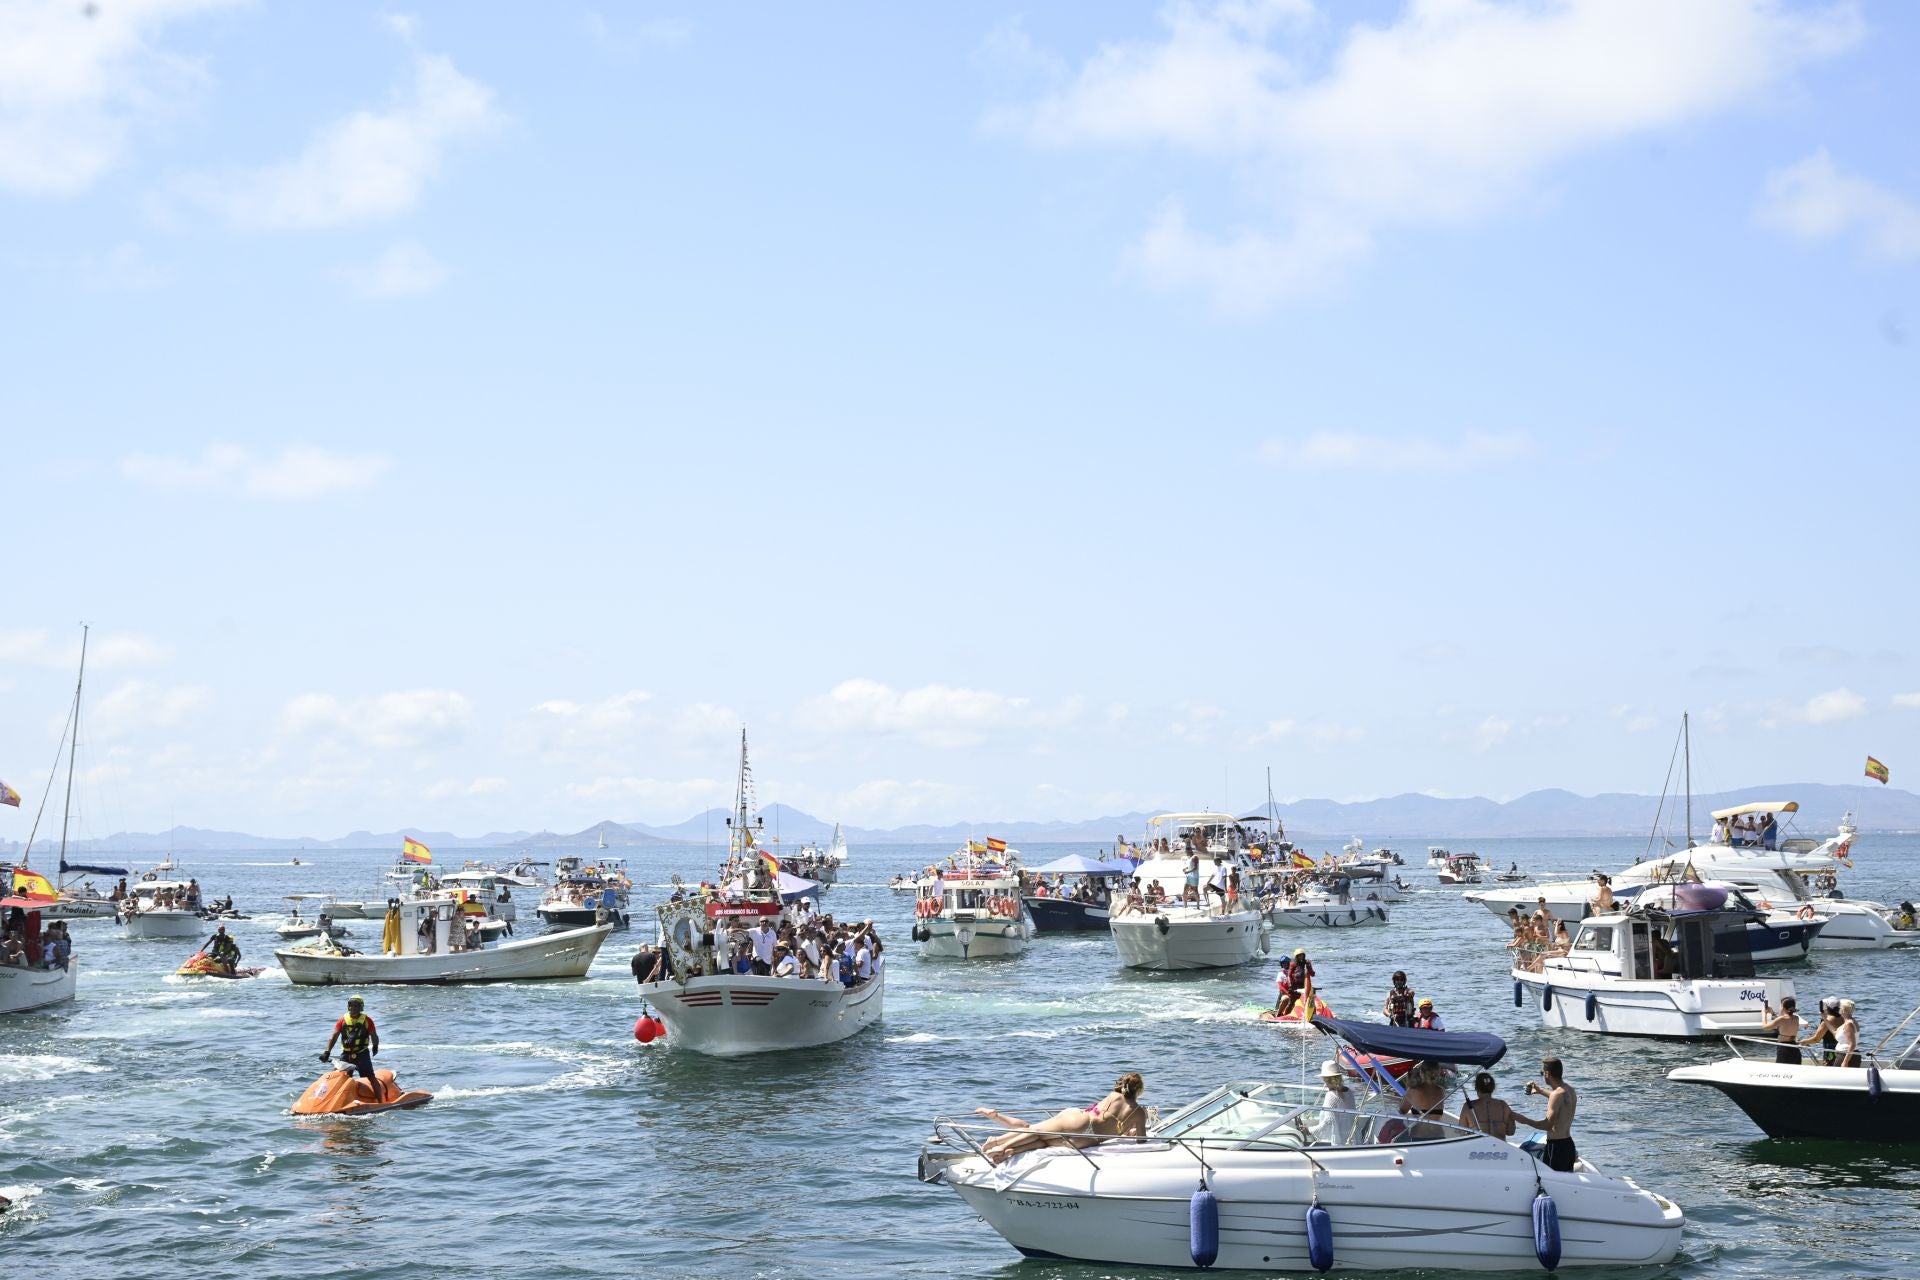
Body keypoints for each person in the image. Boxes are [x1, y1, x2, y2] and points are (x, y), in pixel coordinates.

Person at [977, 1072, 1146, 1164]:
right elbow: (1141, 1140)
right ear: (1139, 1091)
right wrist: (1127, 1132)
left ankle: (1002, 1145)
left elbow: (1099, 1113)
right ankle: (1010, 1152)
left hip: (1083, 1122)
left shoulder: (1113, 1095)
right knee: (1044, 1142)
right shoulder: (1139, 1113)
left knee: (1036, 1131)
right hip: (1089, 1140)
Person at [1514, 1057, 1578, 1172]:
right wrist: (1540, 1090)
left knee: (1553, 1183)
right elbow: (1559, 1099)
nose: (1542, 1075)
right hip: (1568, 1145)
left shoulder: (1556, 1095)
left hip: (1556, 1147)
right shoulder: (1569, 1090)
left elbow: (1548, 1125)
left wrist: (1525, 1120)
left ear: (1547, 1074)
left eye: (1542, 1073)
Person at [320, 995, 384, 1100]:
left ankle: (381, 1102)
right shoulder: (342, 1020)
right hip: (346, 1054)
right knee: (337, 1077)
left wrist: (375, 1046)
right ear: (348, 1007)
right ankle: (331, 1100)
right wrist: (327, 1052)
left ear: (361, 1007)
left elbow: (374, 1035)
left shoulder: (368, 1021)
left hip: (362, 1054)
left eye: (356, 1006)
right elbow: (334, 1036)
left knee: (371, 1077)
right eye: (351, 1005)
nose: (353, 1008)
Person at [1398, 1062, 1449, 1139]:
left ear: (1421, 1072)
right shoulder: (1441, 1091)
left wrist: (1408, 1088)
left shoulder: (1413, 1090)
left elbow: (1402, 1111)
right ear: (1438, 1073)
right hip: (1439, 1136)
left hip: (1419, 1137)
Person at [1458, 1071, 1516, 1137]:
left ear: (1476, 1088)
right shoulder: (1503, 1105)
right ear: (1493, 1087)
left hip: (1478, 1146)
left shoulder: (1468, 1106)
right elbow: (1511, 1132)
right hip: (1499, 1145)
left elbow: (1461, 1132)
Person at [1315, 1059, 1356, 1142]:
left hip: (1339, 1142)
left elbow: (1328, 1122)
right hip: (1352, 1138)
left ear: (1325, 1079)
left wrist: (1309, 1130)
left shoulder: (1331, 1096)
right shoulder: (1349, 1092)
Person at [1759, 995, 1803, 1065]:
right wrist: (1773, 1013)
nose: (1779, 1007)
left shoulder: (1781, 1019)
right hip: (1794, 1048)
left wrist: (1763, 1014)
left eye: (1780, 1005)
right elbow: (1783, 1021)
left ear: (1783, 1008)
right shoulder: (1796, 1018)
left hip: (1784, 1049)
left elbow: (1765, 1027)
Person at [1802, 997, 1843, 1065]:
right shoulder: (1843, 1018)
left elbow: (1816, 1039)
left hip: (1830, 1050)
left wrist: (1802, 1042)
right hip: (1841, 1049)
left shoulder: (1826, 1021)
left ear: (1827, 1007)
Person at [1274, 949, 1314, 1018]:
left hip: (1301, 986)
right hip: (1290, 989)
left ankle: (1307, 1014)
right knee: (1290, 1001)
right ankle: (1283, 1015)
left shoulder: (1305, 963)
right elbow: (1282, 985)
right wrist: (1290, 988)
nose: (1285, 965)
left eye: (1286, 963)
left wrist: (1309, 966)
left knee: (1305, 1000)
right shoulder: (1282, 973)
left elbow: (1311, 973)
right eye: (1283, 964)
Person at [1832, 999, 1860, 1068]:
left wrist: (1845, 1062)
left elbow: (1852, 1044)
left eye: (1839, 1007)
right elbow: (1835, 1033)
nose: (1838, 1009)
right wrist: (1824, 1018)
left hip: (1845, 1056)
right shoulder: (1849, 1021)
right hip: (1844, 1055)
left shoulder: (1849, 1024)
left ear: (1843, 1010)